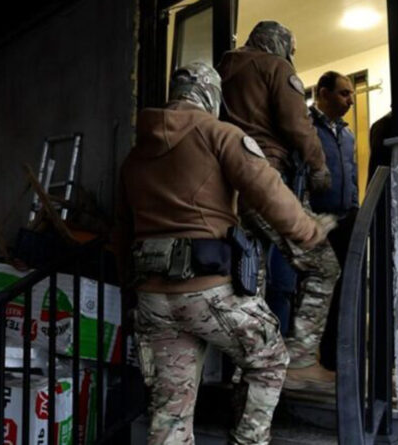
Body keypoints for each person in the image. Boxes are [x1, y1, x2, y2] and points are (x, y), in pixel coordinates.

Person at [115, 62, 335, 445]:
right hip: (209, 291)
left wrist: (130, 287)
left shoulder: (135, 156)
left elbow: (120, 232)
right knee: (269, 358)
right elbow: (268, 190)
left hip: (153, 299)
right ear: (211, 95)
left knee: (170, 413)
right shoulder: (219, 134)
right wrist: (309, 230)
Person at [216, 20, 341, 391]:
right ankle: (300, 360)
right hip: (267, 181)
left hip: (229, 188)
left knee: (250, 278)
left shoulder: (223, 70)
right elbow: (297, 124)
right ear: (281, 44)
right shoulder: (275, 67)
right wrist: (319, 166)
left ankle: (249, 367)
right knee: (323, 265)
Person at [308, 71, 358, 372]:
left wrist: (355, 209)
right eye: (344, 93)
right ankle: (302, 358)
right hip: (314, 222)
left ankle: (332, 358)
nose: (350, 100)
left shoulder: (348, 135)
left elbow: (351, 174)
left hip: (345, 221)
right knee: (314, 290)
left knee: (343, 289)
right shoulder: (306, 128)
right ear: (323, 94)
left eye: (351, 94)